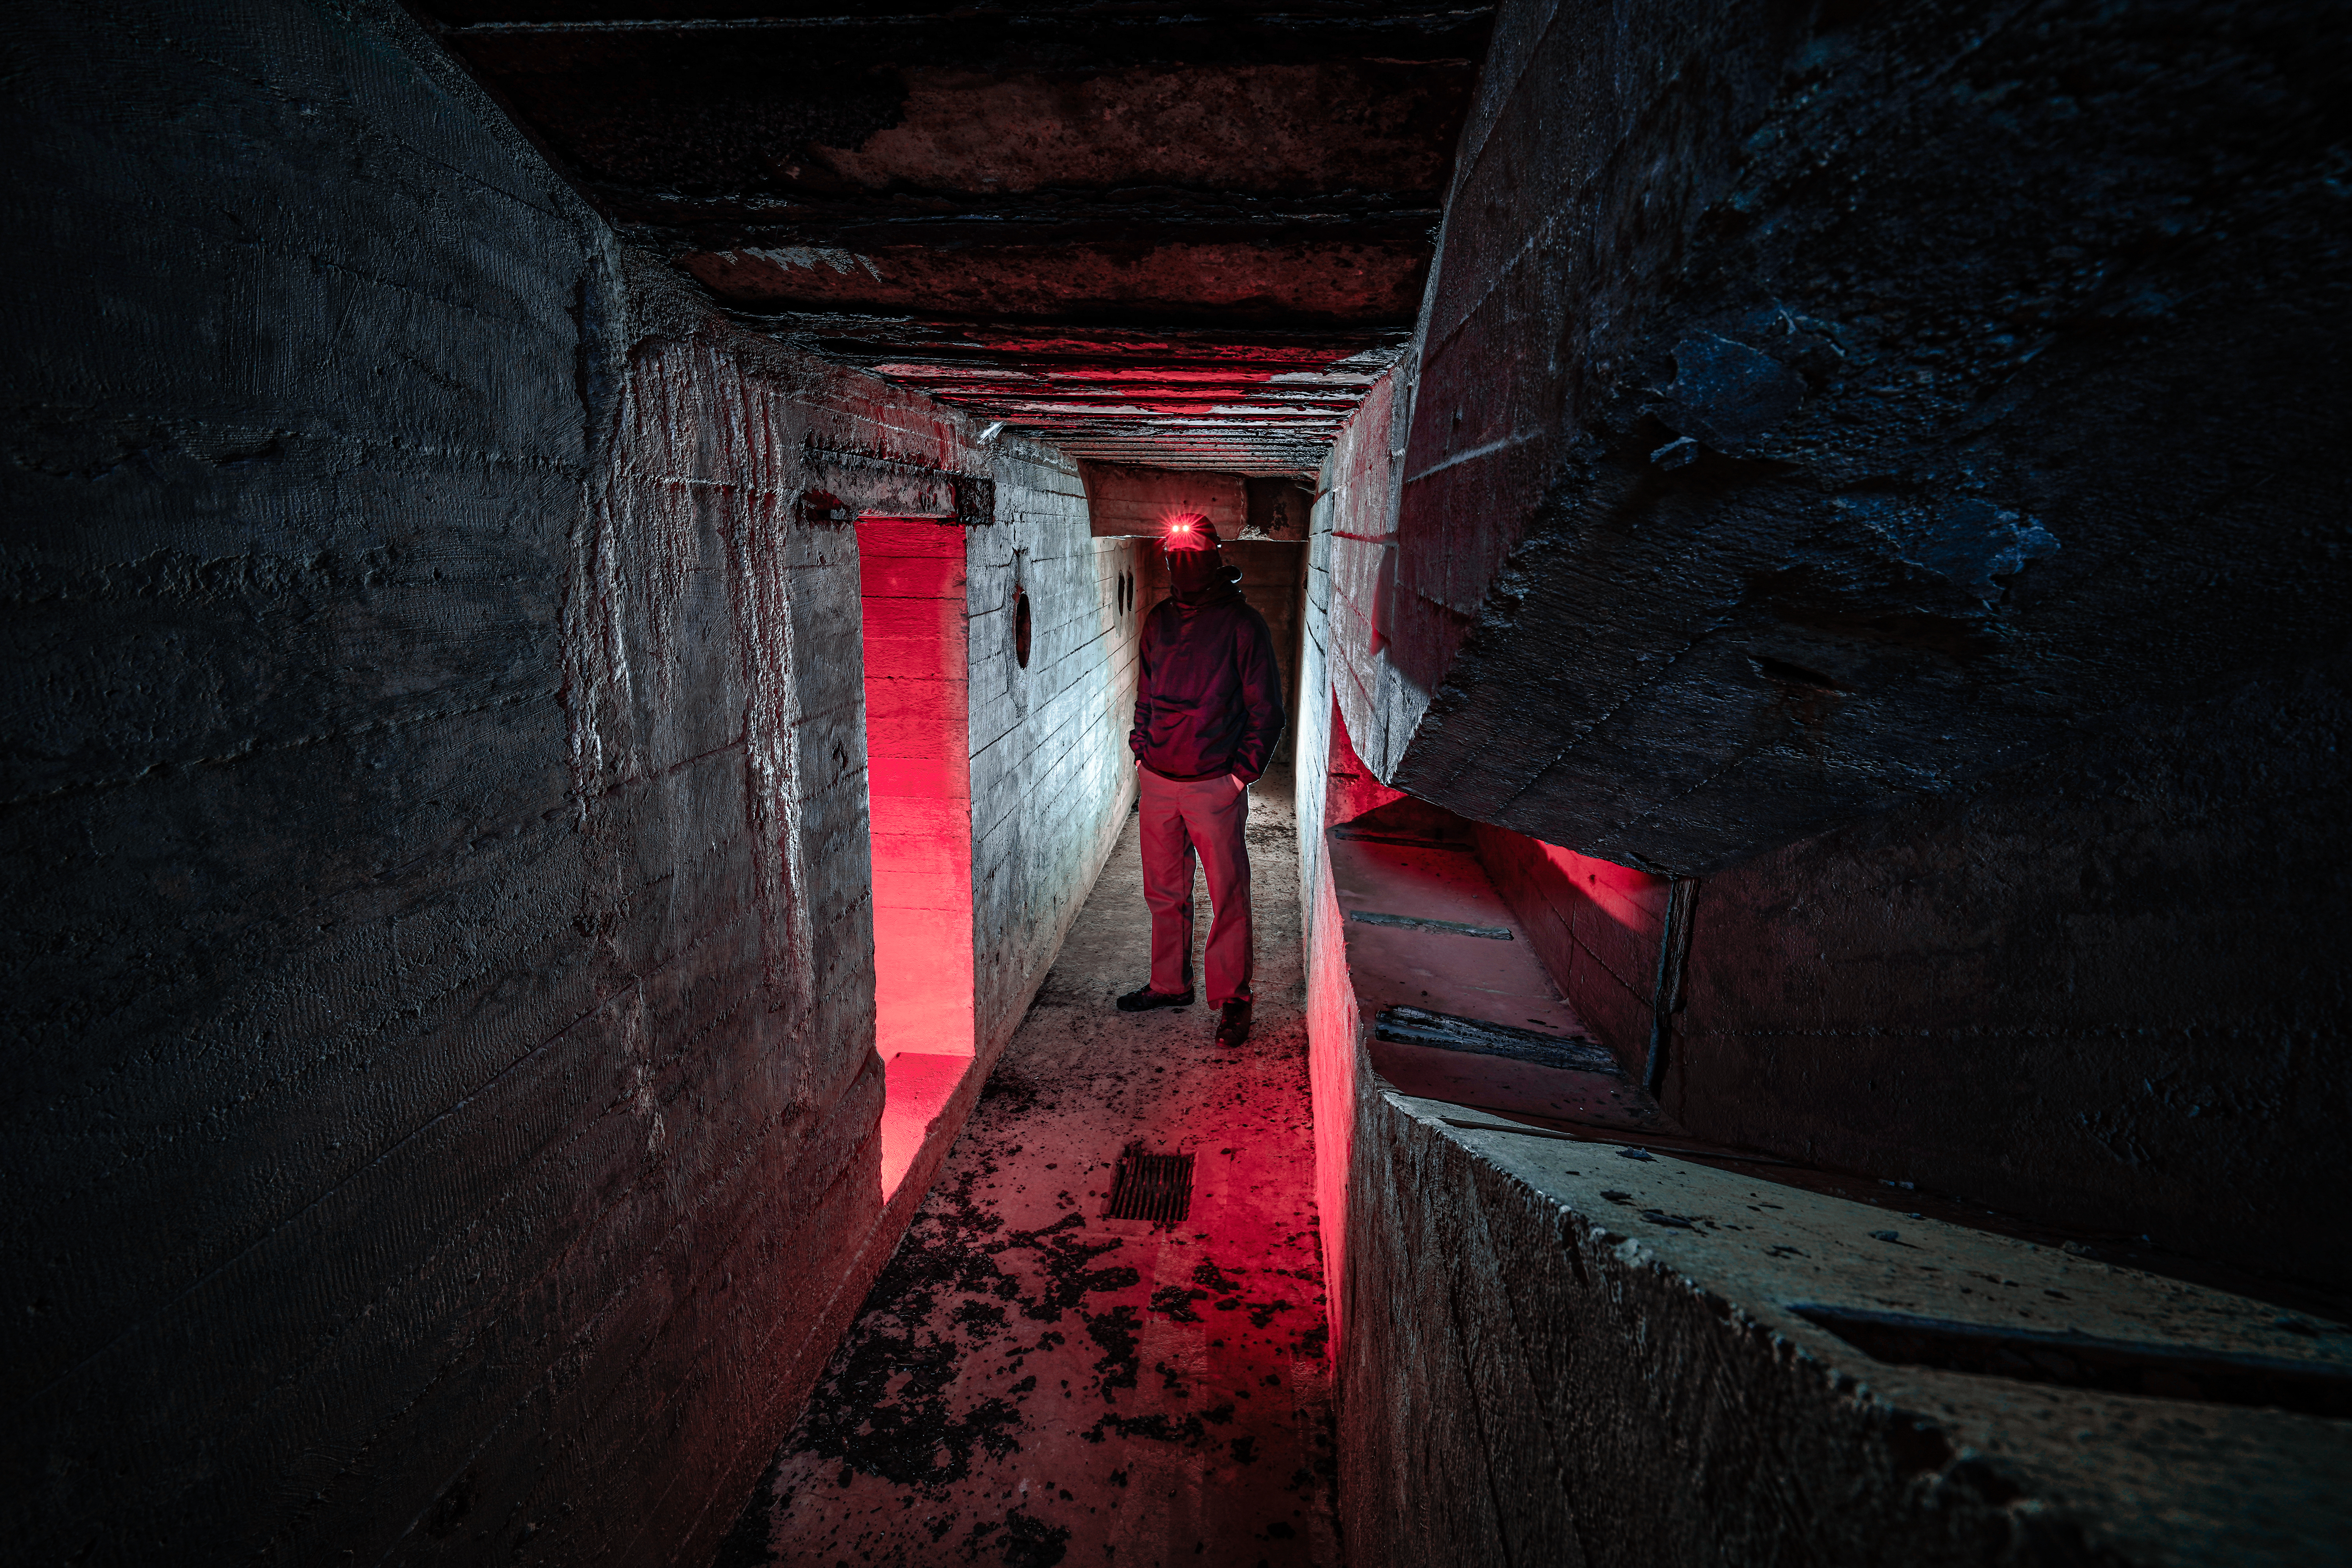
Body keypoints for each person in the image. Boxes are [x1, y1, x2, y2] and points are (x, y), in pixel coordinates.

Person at [1119, 514, 1286, 1046]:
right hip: (1160, 781)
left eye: (1192, 550)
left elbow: (1268, 712)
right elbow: (1145, 695)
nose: (1182, 560)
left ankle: (1233, 998)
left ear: (1214, 556)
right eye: (1175, 550)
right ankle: (1170, 985)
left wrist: (1240, 777)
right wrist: (1141, 754)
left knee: (1227, 895)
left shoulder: (1244, 625)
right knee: (1164, 893)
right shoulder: (1160, 620)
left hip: (1215, 783)